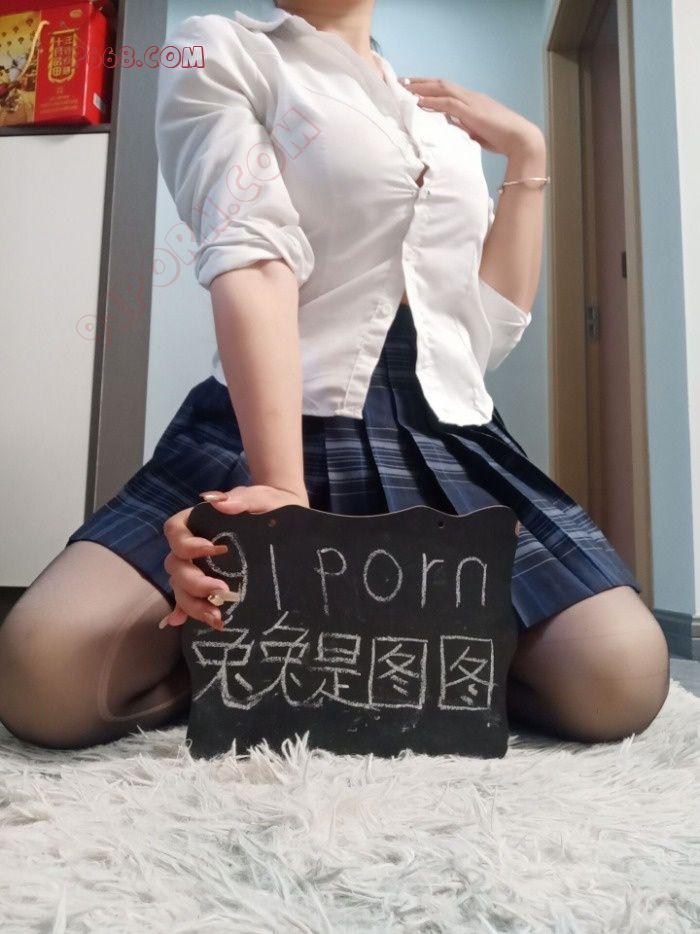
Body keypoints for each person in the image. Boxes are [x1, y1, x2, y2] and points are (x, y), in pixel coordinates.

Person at [0, 1, 669, 750]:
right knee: (45, 676)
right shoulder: (221, 49)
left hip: (442, 430)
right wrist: (282, 494)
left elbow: (480, 330)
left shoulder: (440, 121)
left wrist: (527, 157)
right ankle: (240, 662)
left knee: (620, 678)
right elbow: (252, 254)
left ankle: (353, 664)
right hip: (268, 423)